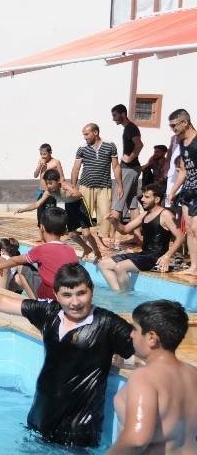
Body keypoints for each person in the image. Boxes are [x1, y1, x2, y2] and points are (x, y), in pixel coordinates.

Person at [0, 263, 134, 448]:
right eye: (67, 295)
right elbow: (0, 301)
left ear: (92, 290)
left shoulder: (108, 323)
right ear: (56, 294)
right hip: (41, 415)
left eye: (81, 293)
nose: (75, 302)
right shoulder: (49, 314)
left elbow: (146, 347)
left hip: (79, 426)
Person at [107, 300, 197, 454]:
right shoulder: (192, 373)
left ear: (151, 337)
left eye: (135, 329)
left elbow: (136, 439)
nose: (131, 334)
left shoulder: (143, 378)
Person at [99, 184, 185, 291]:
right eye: (143, 196)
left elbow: (180, 237)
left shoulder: (165, 214)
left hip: (155, 257)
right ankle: (119, 294)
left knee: (120, 267)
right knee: (103, 264)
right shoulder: (145, 215)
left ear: (157, 199)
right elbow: (124, 230)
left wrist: (166, 257)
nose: (143, 200)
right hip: (144, 255)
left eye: (147, 197)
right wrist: (114, 221)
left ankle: (124, 296)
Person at [16, 168, 103, 262]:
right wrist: (24, 210)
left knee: (87, 234)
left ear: (57, 181)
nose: (48, 186)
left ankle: (97, 252)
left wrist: (73, 194)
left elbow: (79, 194)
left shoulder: (64, 186)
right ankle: (86, 248)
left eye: (51, 183)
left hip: (80, 205)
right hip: (69, 207)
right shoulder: (49, 192)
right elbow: (37, 204)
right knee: (72, 234)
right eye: (47, 183)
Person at [0, 207, 79, 300]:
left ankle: (36, 304)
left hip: (49, 294)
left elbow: (15, 260)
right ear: (64, 231)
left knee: (22, 266)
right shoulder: (70, 250)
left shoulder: (42, 249)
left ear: (42, 228)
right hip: (69, 295)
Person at [72, 123, 123, 246]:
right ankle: (85, 240)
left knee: (105, 213)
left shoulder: (110, 146)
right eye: (83, 134)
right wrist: (73, 186)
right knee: (84, 214)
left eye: (87, 134)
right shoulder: (82, 148)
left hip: (104, 186)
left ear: (96, 132)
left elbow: (116, 166)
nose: (85, 137)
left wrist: (120, 186)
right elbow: (76, 168)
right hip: (86, 186)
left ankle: (102, 239)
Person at [166, 108, 197, 276]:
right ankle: (194, 267)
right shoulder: (182, 142)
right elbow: (183, 171)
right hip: (188, 190)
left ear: (185, 122)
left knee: (196, 228)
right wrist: (173, 191)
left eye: (174, 125)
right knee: (190, 230)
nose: (173, 129)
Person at [111, 104, 145, 243]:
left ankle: (111, 236)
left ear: (123, 114)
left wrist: (130, 158)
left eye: (115, 115)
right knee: (132, 204)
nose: (113, 119)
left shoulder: (130, 128)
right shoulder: (129, 128)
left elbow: (139, 144)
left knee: (118, 200)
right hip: (133, 168)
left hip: (129, 169)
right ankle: (138, 237)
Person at [32, 143, 64, 225]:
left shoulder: (56, 162)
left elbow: (61, 178)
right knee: (40, 212)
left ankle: (51, 229)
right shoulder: (40, 161)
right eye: (41, 154)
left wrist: (60, 191)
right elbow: (35, 175)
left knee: (50, 212)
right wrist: (40, 165)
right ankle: (41, 228)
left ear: (50, 152)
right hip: (41, 191)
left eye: (45, 154)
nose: (43, 156)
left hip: (51, 192)